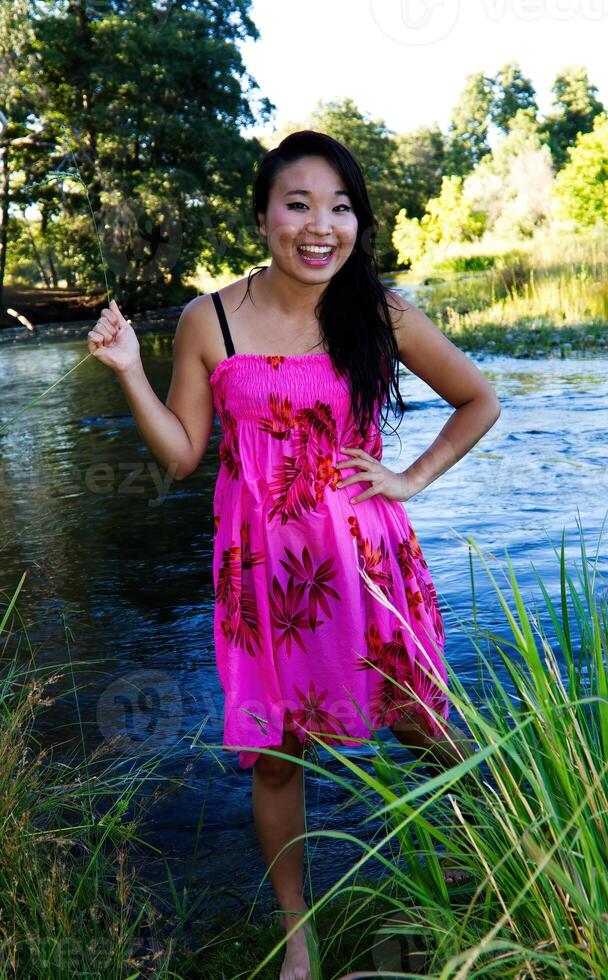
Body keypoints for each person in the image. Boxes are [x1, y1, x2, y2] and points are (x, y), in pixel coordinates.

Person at [87, 130, 501, 980]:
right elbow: (179, 456)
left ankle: (486, 855)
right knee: (276, 754)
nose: (322, 226)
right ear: (264, 214)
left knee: (423, 725)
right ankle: (297, 939)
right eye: (300, 204)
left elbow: (476, 398)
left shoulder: (377, 311)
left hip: (366, 563)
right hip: (261, 574)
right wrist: (128, 370)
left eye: (341, 207)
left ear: (357, 220)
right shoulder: (210, 320)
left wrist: (410, 477)